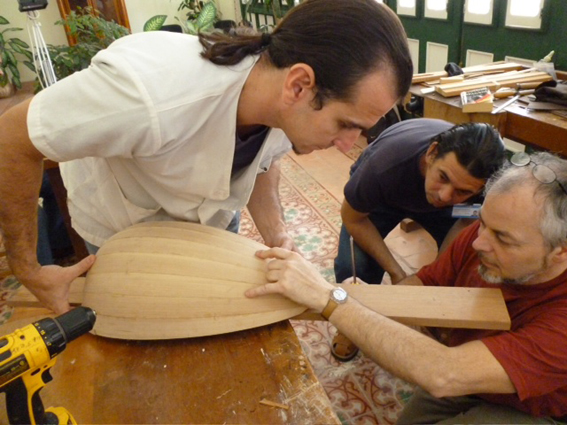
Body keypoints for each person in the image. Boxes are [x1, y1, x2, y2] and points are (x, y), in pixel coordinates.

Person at [0, 0, 413, 314]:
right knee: (134, 322)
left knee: (201, 317)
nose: (348, 144)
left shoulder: (284, 102)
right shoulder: (149, 93)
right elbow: (12, 137)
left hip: (210, 214)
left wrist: (276, 231)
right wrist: (30, 270)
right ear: (300, 85)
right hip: (123, 225)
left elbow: (267, 159)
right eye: (346, 124)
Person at [246, 151, 567, 423]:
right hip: (469, 372)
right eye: (482, 222)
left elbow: (443, 373)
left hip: (536, 405)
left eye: (503, 238)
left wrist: (331, 299)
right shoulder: (482, 238)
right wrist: (370, 298)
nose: (479, 241)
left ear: (560, 251)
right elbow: (423, 287)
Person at [331, 118, 505, 361]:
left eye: (463, 190)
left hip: (450, 212)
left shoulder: (489, 185)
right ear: (432, 153)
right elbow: (353, 218)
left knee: (467, 263)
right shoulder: (384, 165)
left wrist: (434, 277)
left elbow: (465, 223)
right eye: (443, 177)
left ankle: (439, 318)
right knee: (354, 267)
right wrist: (397, 273)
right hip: (386, 193)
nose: (444, 195)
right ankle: (350, 321)